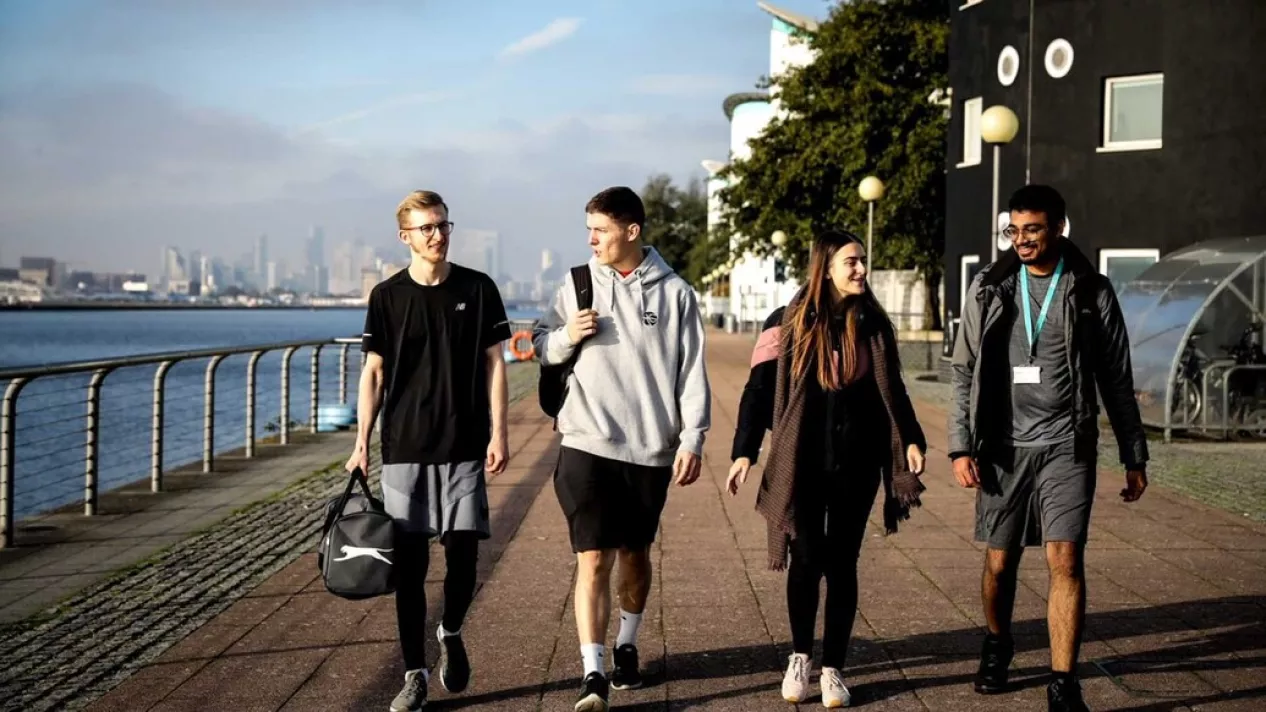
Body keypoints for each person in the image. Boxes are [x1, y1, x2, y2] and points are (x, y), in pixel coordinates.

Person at [949, 185, 1149, 712]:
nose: (1020, 240)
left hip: (1068, 445)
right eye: (1012, 230)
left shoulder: (1091, 292)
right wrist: (958, 447)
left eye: (1032, 229)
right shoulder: (990, 287)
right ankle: (998, 642)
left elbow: (1117, 381)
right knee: (1000, 563)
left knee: (1066, 558)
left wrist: (1134, 455)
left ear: (1059, 227)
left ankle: (1063, 684)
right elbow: (963, 370)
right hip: (1001, 446)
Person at [726, 229, 927, 708]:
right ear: (826, 268)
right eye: (851, 262)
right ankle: (800, 657)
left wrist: (912, 438)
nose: (860, 270)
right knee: (807, 557)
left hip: (859, 461)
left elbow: (893, 388)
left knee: (843, 563)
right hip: (804, 460)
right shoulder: (786, 323)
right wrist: (744, 452)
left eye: (862, 261)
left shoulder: (873, 323)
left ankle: (833, 667)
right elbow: (757, 391)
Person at [532, 186, 711, 712]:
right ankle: (592, 674)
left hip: (650, 448)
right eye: (588, 229)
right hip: (586, 440)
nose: (592, 239)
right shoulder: (577, 282)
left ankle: (627, 643)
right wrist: (566, 336)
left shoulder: (677, 293)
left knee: (636, 554)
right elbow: (542, 346)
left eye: (602, 230)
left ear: (632, 232)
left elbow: (692, 374)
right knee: (592, 558)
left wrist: (693, 437)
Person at [346, 190, 511, 712]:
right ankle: (414, 675)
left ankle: (452, 629)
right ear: (406, 237)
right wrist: (360, 445)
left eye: (443, 225)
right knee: (410, 569)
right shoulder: (387, 297)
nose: (438, 235)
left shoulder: (478, 288)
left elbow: (496, 365)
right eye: (427, 228)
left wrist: (500, 433)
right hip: (404, 450)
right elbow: (373, 374)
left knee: (464, 558)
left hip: (463, 444)